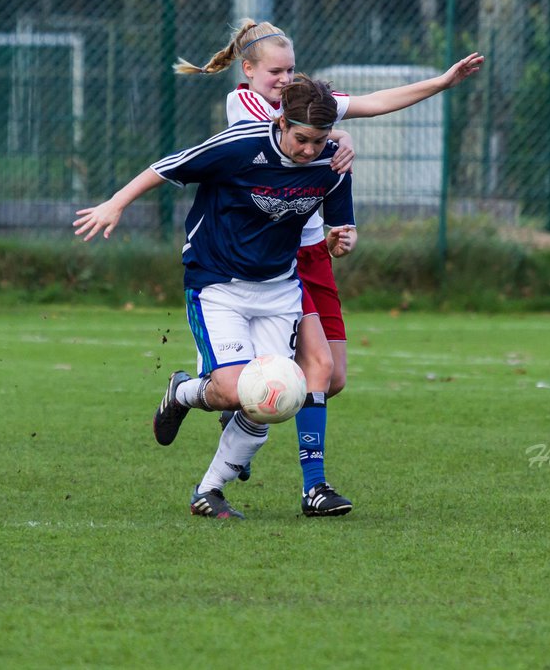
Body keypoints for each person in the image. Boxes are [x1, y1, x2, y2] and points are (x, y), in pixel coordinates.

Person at [173, 19, 483, 512]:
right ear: (248, 70)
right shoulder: (248, 104)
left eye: (291, 69)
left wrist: (442, 83)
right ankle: (311, 484)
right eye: (275, 70)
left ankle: (244, 422)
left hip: (311, 251)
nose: (284, 79)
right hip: (271, 256)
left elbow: (376, 102)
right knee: (304, 369)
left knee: (331, 378)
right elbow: (288, 131)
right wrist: (338, 136)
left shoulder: (305, 103)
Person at [74, 75, 357, 519]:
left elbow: (340, 228)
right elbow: (167, 166)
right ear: (281, 122)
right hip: (217, 284)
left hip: (279, 290)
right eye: (301, 139)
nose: (309, 150)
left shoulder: (332, 162)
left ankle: (209, 491)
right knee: (230, 392)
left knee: (271, 398)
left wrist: (342, 240)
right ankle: (183, 392)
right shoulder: (240, 147)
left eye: (319, 140)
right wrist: (115, 203)